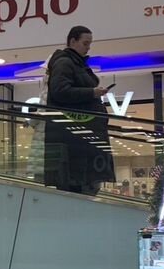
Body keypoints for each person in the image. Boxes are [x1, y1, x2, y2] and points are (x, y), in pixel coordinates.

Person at [44, 25, 115, 195]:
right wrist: (92, 92)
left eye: (89, 43)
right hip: (75, 143)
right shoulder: (65, 62)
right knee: (79, 190)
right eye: (85, 43)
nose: (88, 47)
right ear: (72, 41)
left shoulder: (75, 63)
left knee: (83, 189)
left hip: (79, 140)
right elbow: (60, 91)